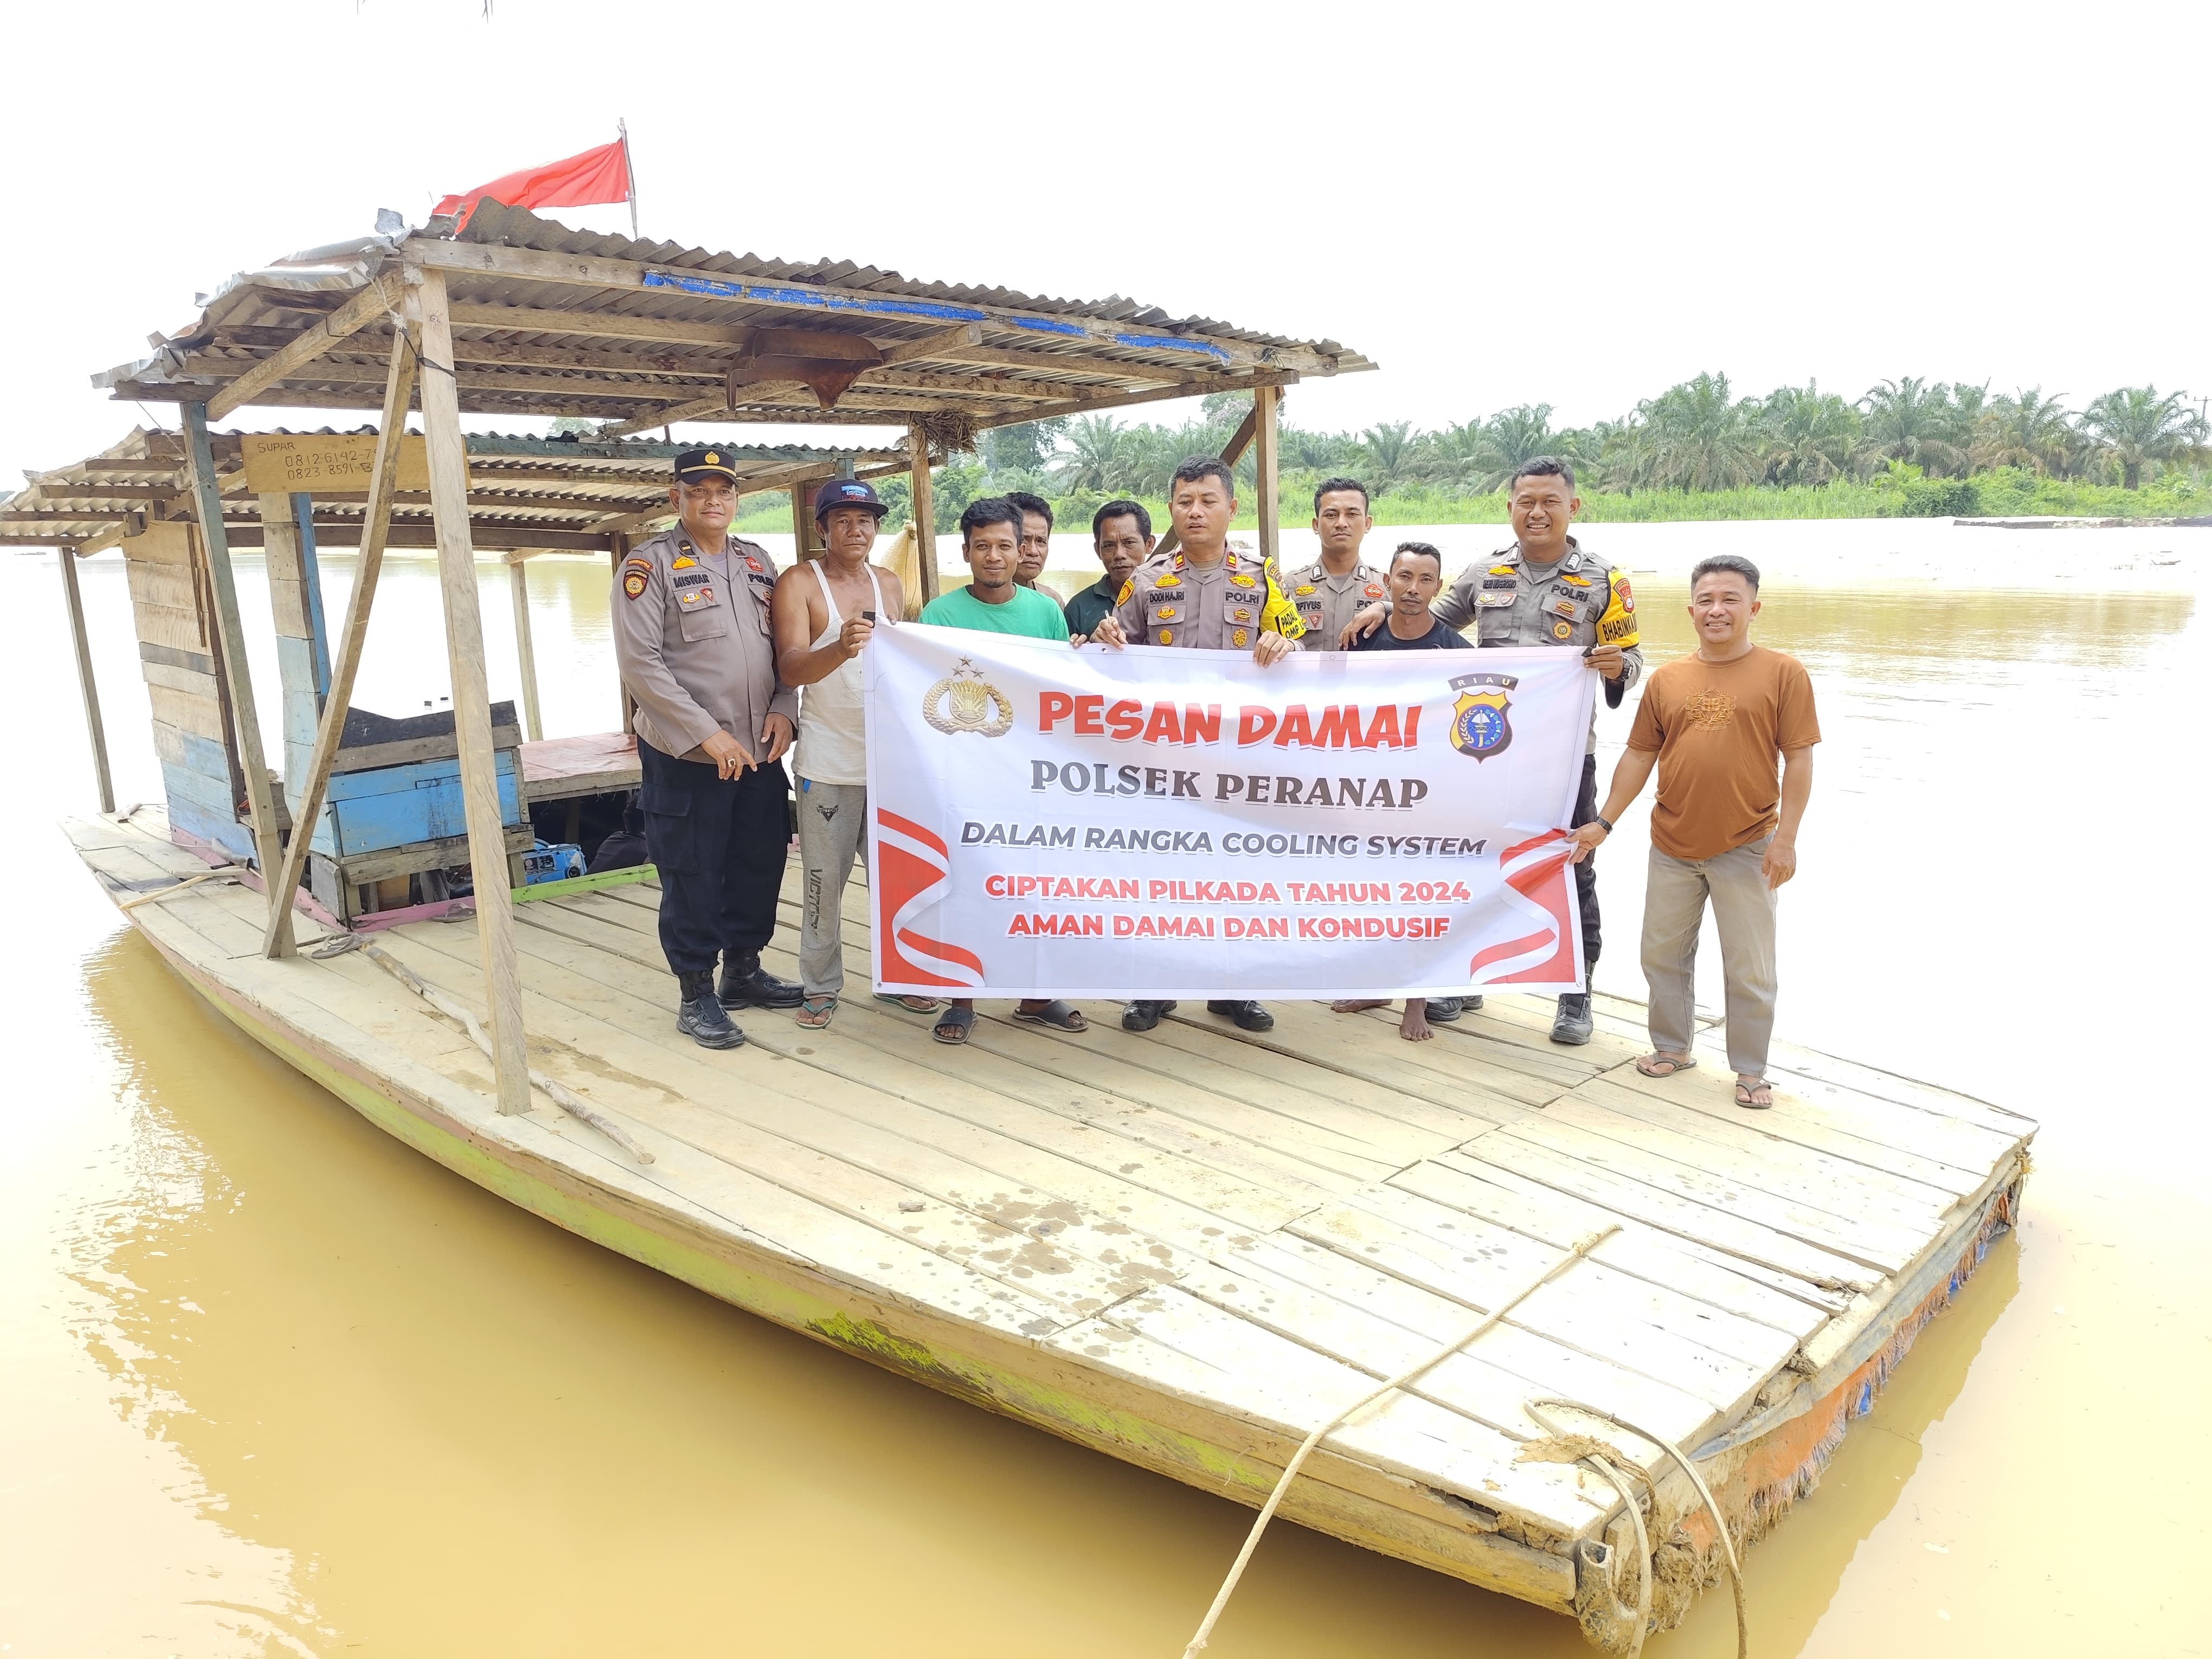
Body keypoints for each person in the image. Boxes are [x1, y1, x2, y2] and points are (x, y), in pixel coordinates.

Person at [1342, 456, 1641, 1045]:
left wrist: (1616, 668)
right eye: (1526, 501)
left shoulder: (1606, 580)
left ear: (1573, 507)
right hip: (1483, 753)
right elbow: (1426, 617)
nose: (1537, 512)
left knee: (1572, 866)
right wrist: (1382, 606)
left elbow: (1631, 660)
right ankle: (1465, 977)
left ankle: (1576, 994)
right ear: (1510, 508)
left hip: (1562, 757)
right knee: (1475, 859)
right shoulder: (1485, 573)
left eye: (1550, 501)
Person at [1568, 554, 1817, 1110]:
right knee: (1661, 954)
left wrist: (1786, 840)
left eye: (1730, 599)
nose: (1717, 610)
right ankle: (1673, 1047)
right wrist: (1604, 822)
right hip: (1672, 843)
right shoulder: (1667, 679)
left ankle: (1750, 1070)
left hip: (1749, 843)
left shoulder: (1784, 673)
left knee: (1750, 968)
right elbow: (1640, 755)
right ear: (1691, 610)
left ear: (1754, 608)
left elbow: (1799, 759)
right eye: (1706, 600)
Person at [1091, 456, 1304, 1034]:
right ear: (1171, 509)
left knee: (1238, 874)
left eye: (1208, 501)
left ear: (1231, 508)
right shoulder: (1147, 580)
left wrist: (1285, 646)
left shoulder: (1264, 579)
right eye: (1185, 501)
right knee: (1160, 873)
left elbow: (1298, 653)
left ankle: (1233, 990)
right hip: (1166, 760)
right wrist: (1104, 634)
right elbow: (1113, 653)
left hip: (1240, 760)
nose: (1196, 511)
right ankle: (1153, 989)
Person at [611, 446, 805, 1049]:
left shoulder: (757, 561)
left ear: (737, 498)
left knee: (759, 861)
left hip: (759, 749)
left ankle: (742, 972)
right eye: (698, 491)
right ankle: (695, 993)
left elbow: (784, 650)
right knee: (692, 871)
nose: (712, 501)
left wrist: (785, 707)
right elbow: (640, 664)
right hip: (688, 757)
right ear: (677, 498)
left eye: (723, 491)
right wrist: (705, 732)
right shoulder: (649, 566)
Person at [917, 497, 1091, 1044]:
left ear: (1022, 551)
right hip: (965, 776)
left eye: (1004, 546)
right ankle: (961, 999)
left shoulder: (1046, 613)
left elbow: (1060, 695)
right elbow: (921, 693)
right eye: (982, 546)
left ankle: (1036, 995)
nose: (993, 556)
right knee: (965, 884)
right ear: (965, 552)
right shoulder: (937, 616)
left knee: (1035, 884)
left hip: (1030, 774)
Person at [769, 478, 938, 1030]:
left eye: (865, 519)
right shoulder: (800, 582)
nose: (856, 529)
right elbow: (790, 668)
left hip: (889, 765)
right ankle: (821, 986)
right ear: (822, 528)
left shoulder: (888, 583)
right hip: (828, 764)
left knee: (902, 882)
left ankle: (902, 978)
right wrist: (839, 649)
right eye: (842, 519)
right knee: (824, 884)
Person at [1332, 542, 1474, 1039]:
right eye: (1405, 577)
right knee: (1371, 891)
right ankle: (1376, 986)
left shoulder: (1456, 651)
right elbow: (1333, 708)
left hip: (1430, 793)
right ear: (1387, 581)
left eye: (1425, 579)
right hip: (1370, 787)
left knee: (1420, 895)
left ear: (1438, 586)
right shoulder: (1361, 639)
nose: (1413, 589)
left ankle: (1417, 1000)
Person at [1285, 477, 1388, 649]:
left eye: (1352, 514)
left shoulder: (1387, 590)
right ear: (1316, 525)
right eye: (1331, 515)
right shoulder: (1288, 588)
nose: (1341, 523)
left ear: (1367, 524)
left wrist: (1386, 607)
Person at [1064, 498, 1154, 642]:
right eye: (1109, 546)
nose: (1119, 554)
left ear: (1149, 544)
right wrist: (1088, 645)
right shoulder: (1078, 608)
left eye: (1129, 543)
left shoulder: (1169, 596)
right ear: (1098, 550)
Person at [1006, 491, 1053, 589]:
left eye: (1040, 541)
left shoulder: (1051, 598)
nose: (1033, 552)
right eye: (1024, 540)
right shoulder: (978, 598)